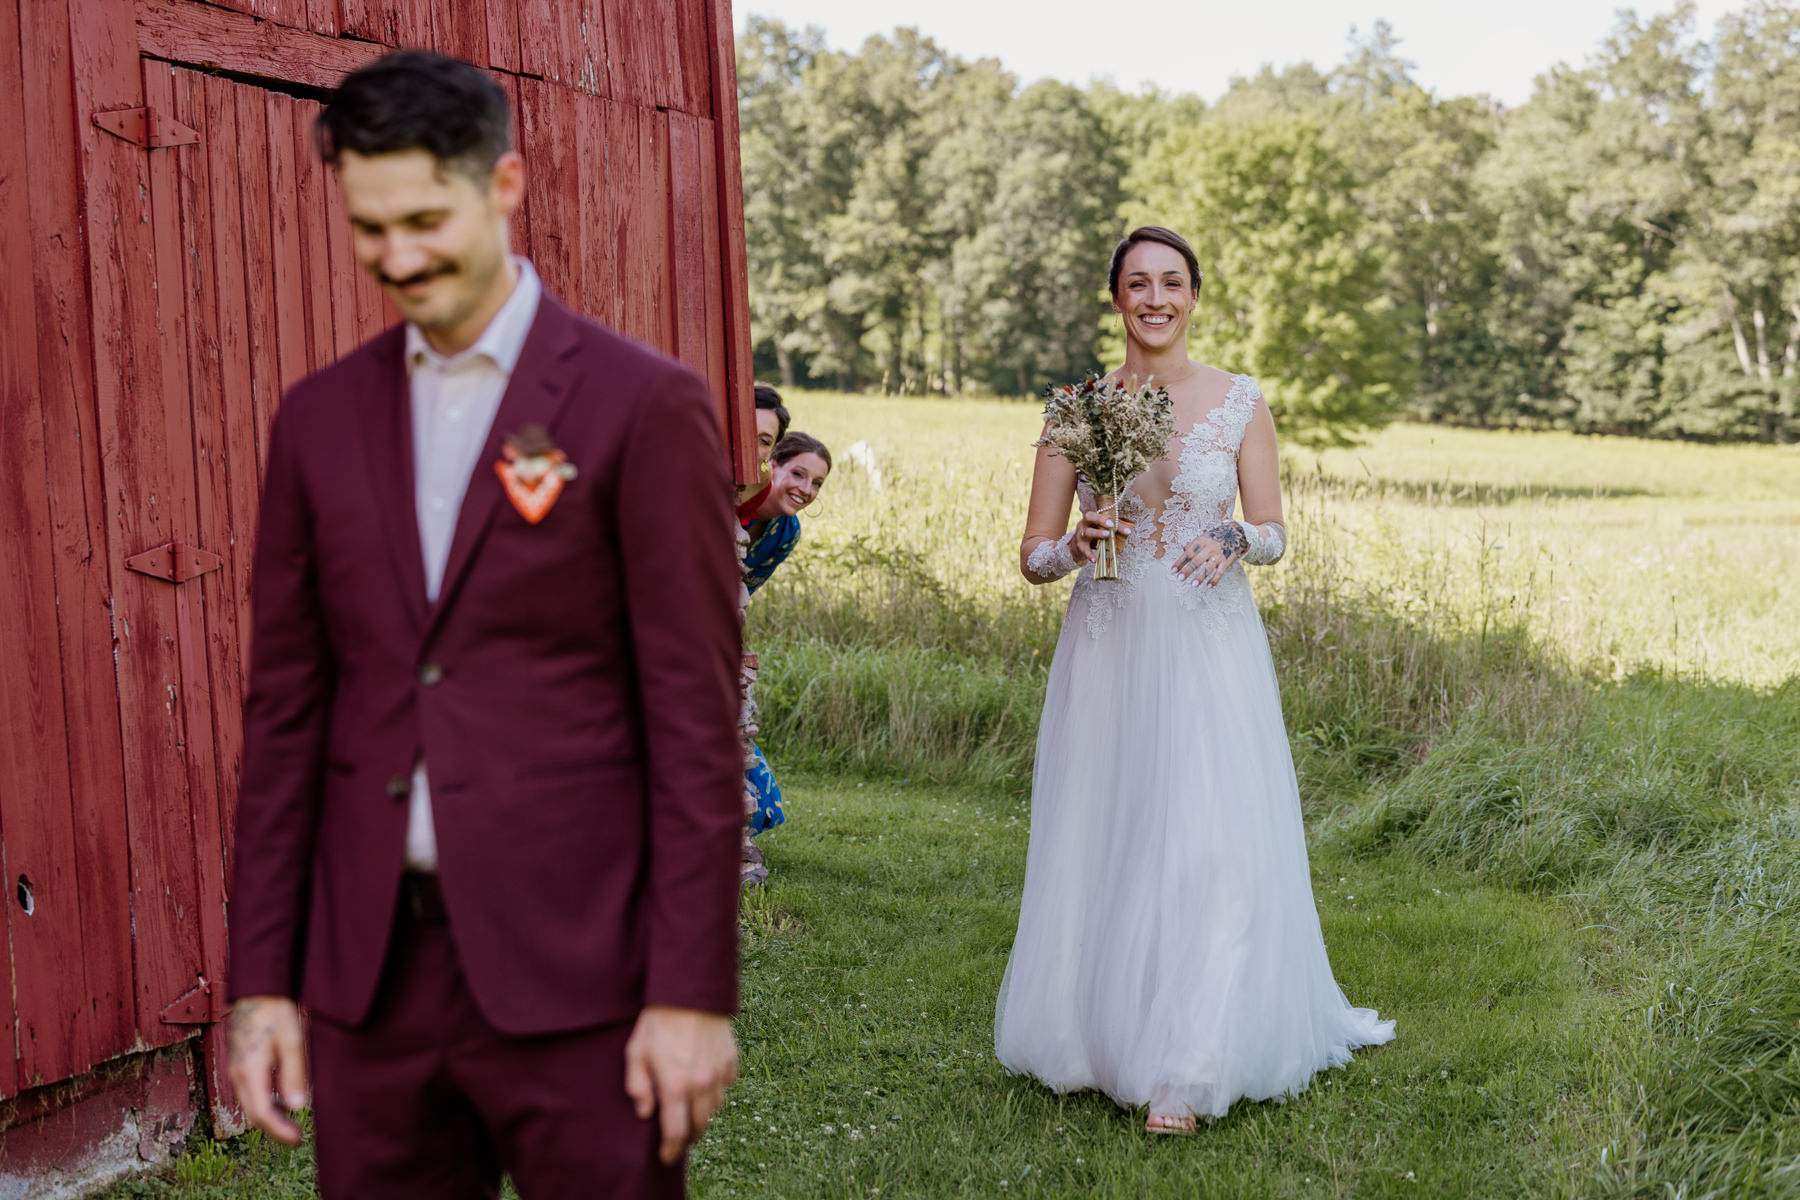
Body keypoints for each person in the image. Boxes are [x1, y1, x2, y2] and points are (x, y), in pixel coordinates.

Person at [225, 51, 743, 1198]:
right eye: (370, 229)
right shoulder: (315, 421)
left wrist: (692, 991)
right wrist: (262, 986)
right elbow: (286, 717)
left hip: (583, 975)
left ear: (503, 186)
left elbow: (696, 723)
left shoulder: (641, 406)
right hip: (372, 984)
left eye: (423, 219)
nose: (397, 259)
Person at [996, 226, 1394, 1134]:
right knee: (1113, 829)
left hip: (1210, 647)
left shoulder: (1240, 400)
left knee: (1208, 837)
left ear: (1196, 294)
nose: (1155, 298)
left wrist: (1235, 538)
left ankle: (1192, 1058)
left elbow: (1275, 530)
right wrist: (1072, 546)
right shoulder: (1078, 411)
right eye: (1137, 283)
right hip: (1110, 644)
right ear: (1116, 300)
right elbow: (1031, 556)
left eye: (1172, 281)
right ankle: (1094, 1034)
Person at [742, 432, 831, 597]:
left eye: (816, 483)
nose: (806, 490)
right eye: (798, 474)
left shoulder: (788, 533)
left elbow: (742, 593)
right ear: (772, 465)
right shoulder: (735, 499)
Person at [735, 383, 791, 521]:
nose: (749, 446)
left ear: (772, 450)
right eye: (744, 431)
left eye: (764, 441)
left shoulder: (762, 480)